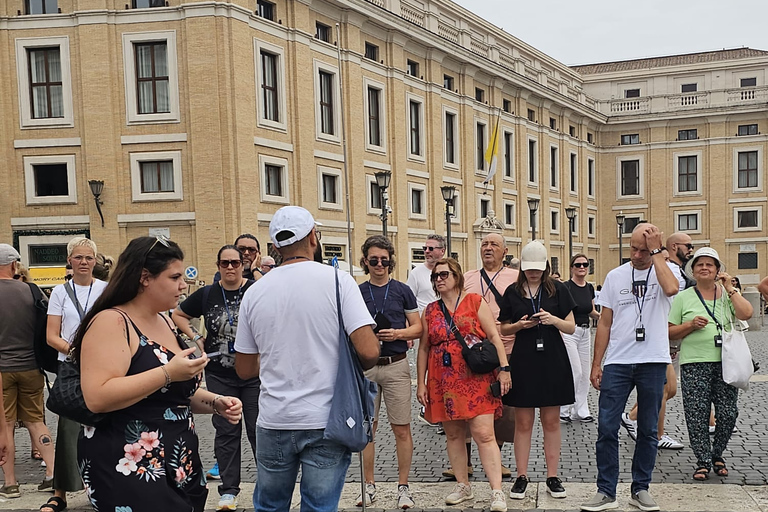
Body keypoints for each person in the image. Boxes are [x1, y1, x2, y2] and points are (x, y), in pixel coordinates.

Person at [75, 236, 243, 512]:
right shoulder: (112, 321)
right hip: (131, 465)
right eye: (174, 276)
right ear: (145, 278)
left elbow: (166, 395)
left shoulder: (164, 320)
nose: (183, 284)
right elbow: (97, 396)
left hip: (177, 461)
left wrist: (215, 402)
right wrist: (167, 373)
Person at [234, 206, 379, 512]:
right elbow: (369, 351)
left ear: (275, 247)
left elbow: (245, 369)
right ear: (314, 237)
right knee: (319, 506)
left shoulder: (255, 292)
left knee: (270, 506)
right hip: (327, 418)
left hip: (274, 418)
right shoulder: (339, 282)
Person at [582, 224, 680, 512]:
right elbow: (605, 322)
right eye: (633, 249)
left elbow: (672, 289)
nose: (636, 255)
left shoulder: (666, 271)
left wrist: (657, 252)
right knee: (607, 427)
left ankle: (641, 488)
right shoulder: (615, 276)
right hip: (618, 361)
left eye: (642, 249)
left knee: (648, 429)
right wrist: (596, 363)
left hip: (652, 360)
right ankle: (606, 490)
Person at [417, 258, 510, 512]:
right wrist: (421, 383)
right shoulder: (431, 310)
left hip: (475, 378)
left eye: (444, 274)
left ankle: (496, 491)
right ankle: (463, 485)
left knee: (484, 434)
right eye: (435, 276)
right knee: (454, 434)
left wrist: (504, 370)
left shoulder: (474, 302)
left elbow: (494, 336)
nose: (439, 279)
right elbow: (424, 348)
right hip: (443, 381)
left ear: (456, 276)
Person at [173, 245, 258, 512]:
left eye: (235, 263)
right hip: (220, 374)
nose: (231, 267)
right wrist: (197, 338)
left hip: (255, 374)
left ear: (243, 264)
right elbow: (178, 314)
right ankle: (229, 491)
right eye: (225, 263)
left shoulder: (255, 290)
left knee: (259, 431)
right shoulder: (208, 293)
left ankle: (268, 486)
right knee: (226, 432)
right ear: (218, 265)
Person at [498, 241, 576, 501]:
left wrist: (552, 320)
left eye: (537, 269)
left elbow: (571, 327)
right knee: (523, 422)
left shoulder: (558, 290)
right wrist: (520, 325)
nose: (533, 273)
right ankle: (522, 476)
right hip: (524, 358)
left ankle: (552, 476)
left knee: (551, 421)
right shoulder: (512, 291)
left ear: (545, 267)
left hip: (552, 358)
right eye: (529, 269)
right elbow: (503, 328)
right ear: (523, 267)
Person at [668, 248, 752, 481]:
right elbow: (669, 331)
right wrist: (690, 325)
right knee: (697, 414)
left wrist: (731, 288)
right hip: (694, 362)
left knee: (728, 413)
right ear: (693, 270)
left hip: (726, 362)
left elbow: (747, 313)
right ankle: (703, 460)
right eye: (699, 264)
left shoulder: (727, 294)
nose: (704, 268)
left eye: (710, 265)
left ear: (717, 270)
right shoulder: (684, 297)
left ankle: (718, 453)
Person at [41, 237, 108, 512]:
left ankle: (106, 487)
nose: (83, 262)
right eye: (78, 258)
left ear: (95, 261)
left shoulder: (106, 290)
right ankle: (60, 492)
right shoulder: (59, 292)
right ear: (70, 260)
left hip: (103, 364)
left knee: (105, 425)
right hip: (70, 366)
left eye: (88, 258)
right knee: (68, 428)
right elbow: (50, 335)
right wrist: (75, 350)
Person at [356, 236, 422, 508]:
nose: (379, 264)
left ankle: (403, 486)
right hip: (366, 367)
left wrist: (399, 333)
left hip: (396, 363)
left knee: (402, 428)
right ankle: (368, 485)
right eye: (373, 260)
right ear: (365, 262)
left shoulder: (402, 290)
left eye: (384, 259)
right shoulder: (357, 291)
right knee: (366, 428)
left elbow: (418, 327)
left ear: (391, 261)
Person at [621, 233, 692, 450]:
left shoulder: (675, 269)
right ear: (673, 246)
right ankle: (653, 432)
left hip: (665, 336)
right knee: (664, 389)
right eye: (687, 245)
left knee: (668, 389)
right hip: (658, 336)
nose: (691, 249)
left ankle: (633, 417)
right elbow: (670, 296)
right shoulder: (663, 268)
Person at [460, 233, 519, 478]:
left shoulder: (515, 278)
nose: (488, 248)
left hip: (507, 348)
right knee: (468, 403)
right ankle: (465, 461)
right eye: (484, 244)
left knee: (504, 406)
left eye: (494, 244)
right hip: (474, 350)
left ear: (505, 251)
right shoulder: (468, 277)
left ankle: (497, 458)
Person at [0, 244, 56, 498]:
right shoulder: (32, 292)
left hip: (2, 371)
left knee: (6, 426)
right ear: (13, 265)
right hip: (32, 367)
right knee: (36, 420)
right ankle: (52, 474)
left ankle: (10, 483)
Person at [560, 253, 600, 424]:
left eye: (585, 264)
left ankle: (581, 410)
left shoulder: (589, 287)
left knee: (585, 373)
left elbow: (591, 310)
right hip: (570, 331)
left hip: (585, 332)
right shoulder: (566, 287)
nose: (582, 267)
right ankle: (564, 409)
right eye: (578, 265)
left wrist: (605, 318)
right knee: (574, 371)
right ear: (571, 268)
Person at [407, 234, 446, 313]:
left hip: (445, 322)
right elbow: (408, 301)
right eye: (425, 248)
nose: (427, 251)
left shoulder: (449, 272)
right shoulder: (416, 273)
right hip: (424, 322)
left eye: (431, 248)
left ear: (442, 251)